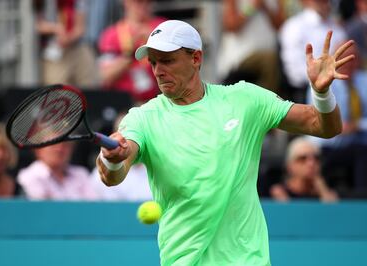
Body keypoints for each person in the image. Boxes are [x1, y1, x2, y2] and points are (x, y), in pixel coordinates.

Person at [95, 20, 354, 265]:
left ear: (196, 58)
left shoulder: (244, 99)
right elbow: (113, 174)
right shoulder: (143, 118)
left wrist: (321, 93)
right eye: (153, 63)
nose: (158, 71)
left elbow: (324, 126)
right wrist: (112, 158)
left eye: (167, 61)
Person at [306, 42, 367, 197]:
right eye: (344, 56)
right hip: (327, 144)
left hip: (357, 142)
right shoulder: (322, 81)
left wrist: (357, 125)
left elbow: (356, 125)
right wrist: (337, 126)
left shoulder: (363, 80)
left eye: (353, 58)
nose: (348, 61)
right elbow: (314, 118)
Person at [97, 0, 165, 104]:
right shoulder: (112, 34)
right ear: (126, 2)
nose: (143, 5)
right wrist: (130, 53)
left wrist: (154, 43)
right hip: (124, 102)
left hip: (159, 98)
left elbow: (176, 64)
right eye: (138, 2)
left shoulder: (162, 27)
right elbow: (105, 77)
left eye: (148, 2)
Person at [279, 0, 347, 102]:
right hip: (311, 92)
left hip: (343, 86)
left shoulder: (337, 28)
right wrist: (323, 76)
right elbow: (294, 73)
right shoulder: (293, 27)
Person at [217, 0, 285, 92]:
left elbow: (282, 25)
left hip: (269, 55)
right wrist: (251, 7)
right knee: (270, 61)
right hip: (242, 57)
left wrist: (265, 8)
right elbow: (231, 25)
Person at [90, 111, 152, 201]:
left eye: (135, 134)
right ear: (114, 134)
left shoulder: (159, 166)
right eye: (124, 133)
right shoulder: (97, 176)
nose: (129, 139)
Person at [34, 0, 98, 87]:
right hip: (52, 50)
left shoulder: (78, 2)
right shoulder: (44, 3)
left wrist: (68, 38)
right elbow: (35, 24)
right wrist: (54, 29)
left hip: (76, 46)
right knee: (56, 88)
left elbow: (80, 28)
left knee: (89, 80)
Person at [17, 142, 98, 200]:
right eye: (54, 144)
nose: (60, 149)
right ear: (39, 150)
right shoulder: (28, 176)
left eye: (65, 145)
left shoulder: (81, 174)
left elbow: (94, 207)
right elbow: (43, 210)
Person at [270, 137, 338, 202]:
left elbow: (334, 213)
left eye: (316, 158)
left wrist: (324, 191)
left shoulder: (328, 193)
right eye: (303, 158)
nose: (311, 163)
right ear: (289, 166)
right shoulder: (277, 194)